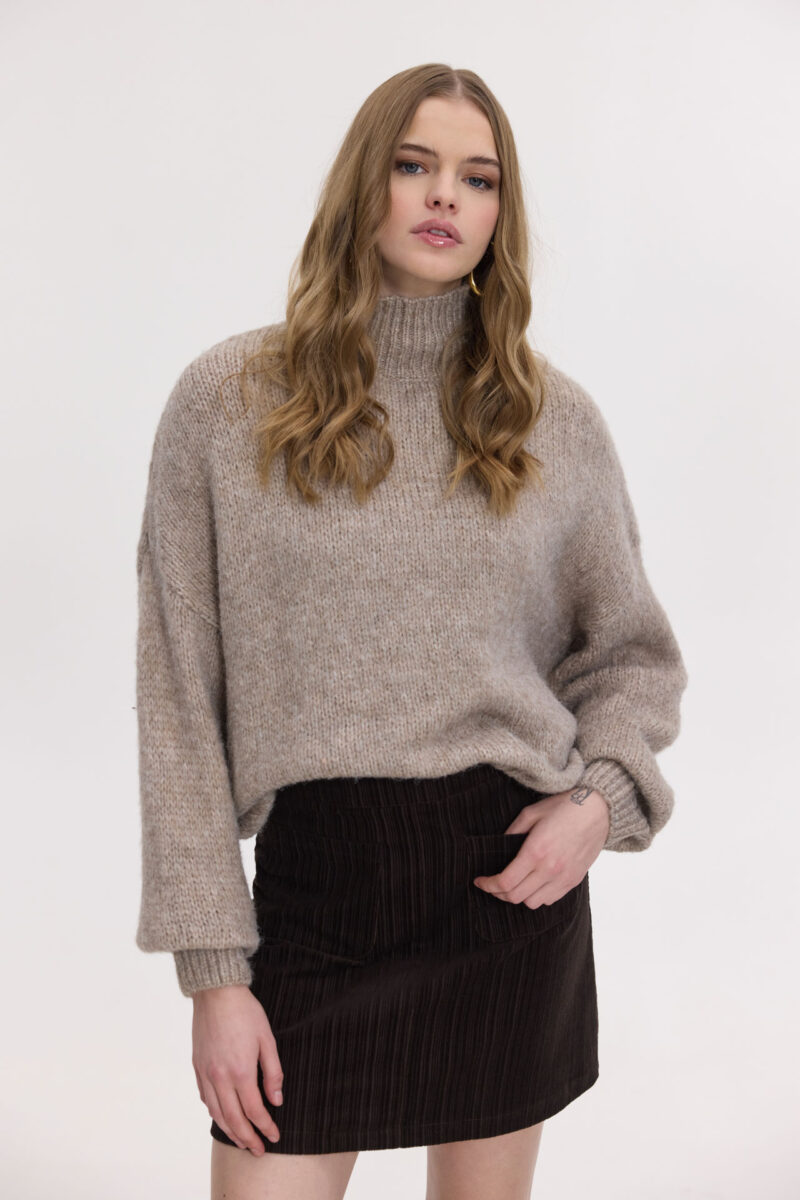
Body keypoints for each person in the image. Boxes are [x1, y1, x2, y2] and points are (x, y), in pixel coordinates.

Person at [134, 63, 688, 1200]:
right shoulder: (226, 404)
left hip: (506, 892)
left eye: (479, 179)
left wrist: (596, 805)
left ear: (500, 213)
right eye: (414, 165)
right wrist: (214, 975)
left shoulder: (548, 418)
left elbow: (631, 658)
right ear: (363, 184)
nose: (445, 196)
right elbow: (177, 701)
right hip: (318, 893)